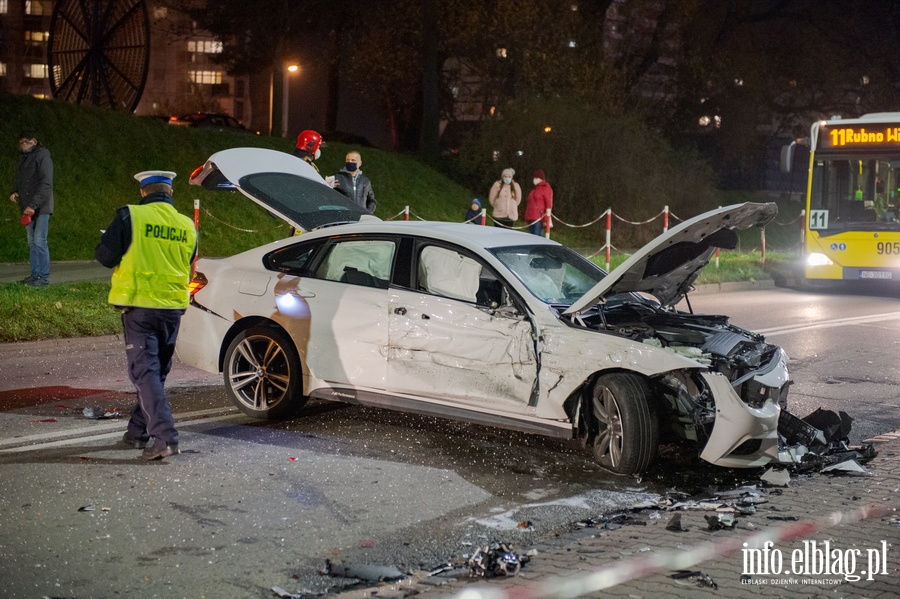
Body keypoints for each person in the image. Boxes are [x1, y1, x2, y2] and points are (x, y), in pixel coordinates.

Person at [95, 171, 198, 460]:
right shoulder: (187, 225)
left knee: (145, 373)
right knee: (156, 373)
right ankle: (137, 433)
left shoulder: (130, 216)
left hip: (140, 307)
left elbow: (105, 257)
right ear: (171, 193)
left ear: (143, 193)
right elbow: (189, 260)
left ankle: (165, 438)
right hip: (173, 310)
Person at [9, 128, 54, 286]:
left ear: (34, 142)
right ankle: (35, 275)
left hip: (41, 207)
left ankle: (43, 277)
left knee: (40, 241)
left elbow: (46, 183)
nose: (23, 145)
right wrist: (15, 191)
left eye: (26, 142)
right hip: (27, 207)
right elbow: (22, 179)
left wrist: (33, 206)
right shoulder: (23, 157)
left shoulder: (43, 155)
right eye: (21, 142)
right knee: (31, 242)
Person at [524, 169, 553, 236]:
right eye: (534, 177)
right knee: (531, 238)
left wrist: (547, 218)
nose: (534, 179)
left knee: (537, 237)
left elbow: (548, 204)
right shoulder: (534, 189)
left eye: (536, 178)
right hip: (530, 217)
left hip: (539, 218)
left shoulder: (546, 189)